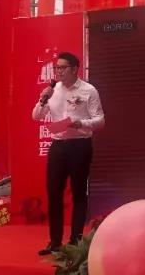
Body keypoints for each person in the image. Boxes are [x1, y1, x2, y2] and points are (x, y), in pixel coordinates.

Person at [32, 51, 104, 255]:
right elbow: (36, 116)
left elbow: (100, 120)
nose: (58, 71)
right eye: (56, 68)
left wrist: (81, 123)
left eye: (62, 68)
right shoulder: (52, 90)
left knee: (79, 193)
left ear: (74, 69)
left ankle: (75, 242)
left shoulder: (88, 90)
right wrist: (42, 99)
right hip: (58, 146)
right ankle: (55, 242)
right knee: (54, 193)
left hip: (80, 145)